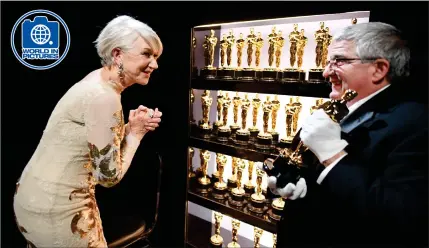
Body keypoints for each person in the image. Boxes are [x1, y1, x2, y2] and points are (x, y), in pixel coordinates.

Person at [262, 22, 428, 247]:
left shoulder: (417, 123)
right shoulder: (332, 108)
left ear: (378, 69)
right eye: (328, 62)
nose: (326, 72)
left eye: (339, 61)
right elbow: (301, 163)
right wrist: (285, 182)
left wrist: (333, 157)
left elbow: (402, 219)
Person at [13, 15, 163, 247]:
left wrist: (127, 127)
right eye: (147, 54)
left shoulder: (96, 80)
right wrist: (136, 134)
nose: (154, 64)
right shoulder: (105, 98)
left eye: (155, 56)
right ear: (117, 54)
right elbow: (108, 177)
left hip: (30, 199)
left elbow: (87, 141)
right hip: (58, 213)